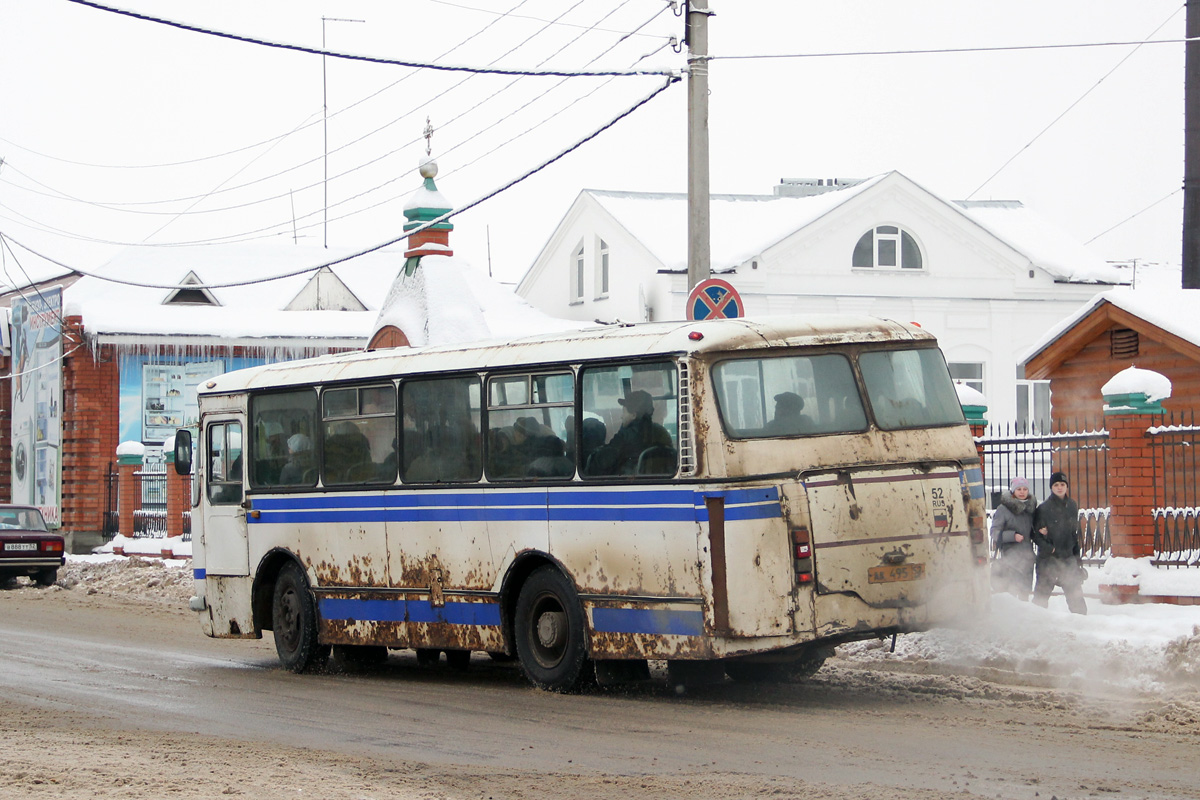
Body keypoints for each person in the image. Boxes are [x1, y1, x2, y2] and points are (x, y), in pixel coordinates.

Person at [1031, 471, 1087, 614]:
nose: (1060, 487)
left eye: (1062, 484)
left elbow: (1073, 533)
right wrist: (1050, 549)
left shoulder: (1072, 506)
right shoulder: (1043, 509)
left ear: (1067, 486)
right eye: (1056, 485)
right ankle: (1036, 624)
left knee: (1076, 597)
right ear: (1051, 487)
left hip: (1068, 558)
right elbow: (1036, 535)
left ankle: (1081, 623)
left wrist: (1076, 557)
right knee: (1041, 598)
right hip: (1048, 560)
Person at [587, 390, 673, 475]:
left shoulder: (625, 436)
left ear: (633, 415)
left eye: (624, 412)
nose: (621, 416)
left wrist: (595, 455)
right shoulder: (661, 431)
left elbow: (604, 462)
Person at [989, 476, 1037, 600]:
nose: (1022, 492)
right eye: (1019, 489)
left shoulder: (1030, 509)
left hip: (1027, 557)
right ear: (1013, 491)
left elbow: (1033, 530)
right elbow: (994, 532)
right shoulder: (1003, 509)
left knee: (1024, 594)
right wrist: (1013, 536)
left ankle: (1024, 618)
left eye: (1025, 489)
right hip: (1010, 558)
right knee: (1011, 593)